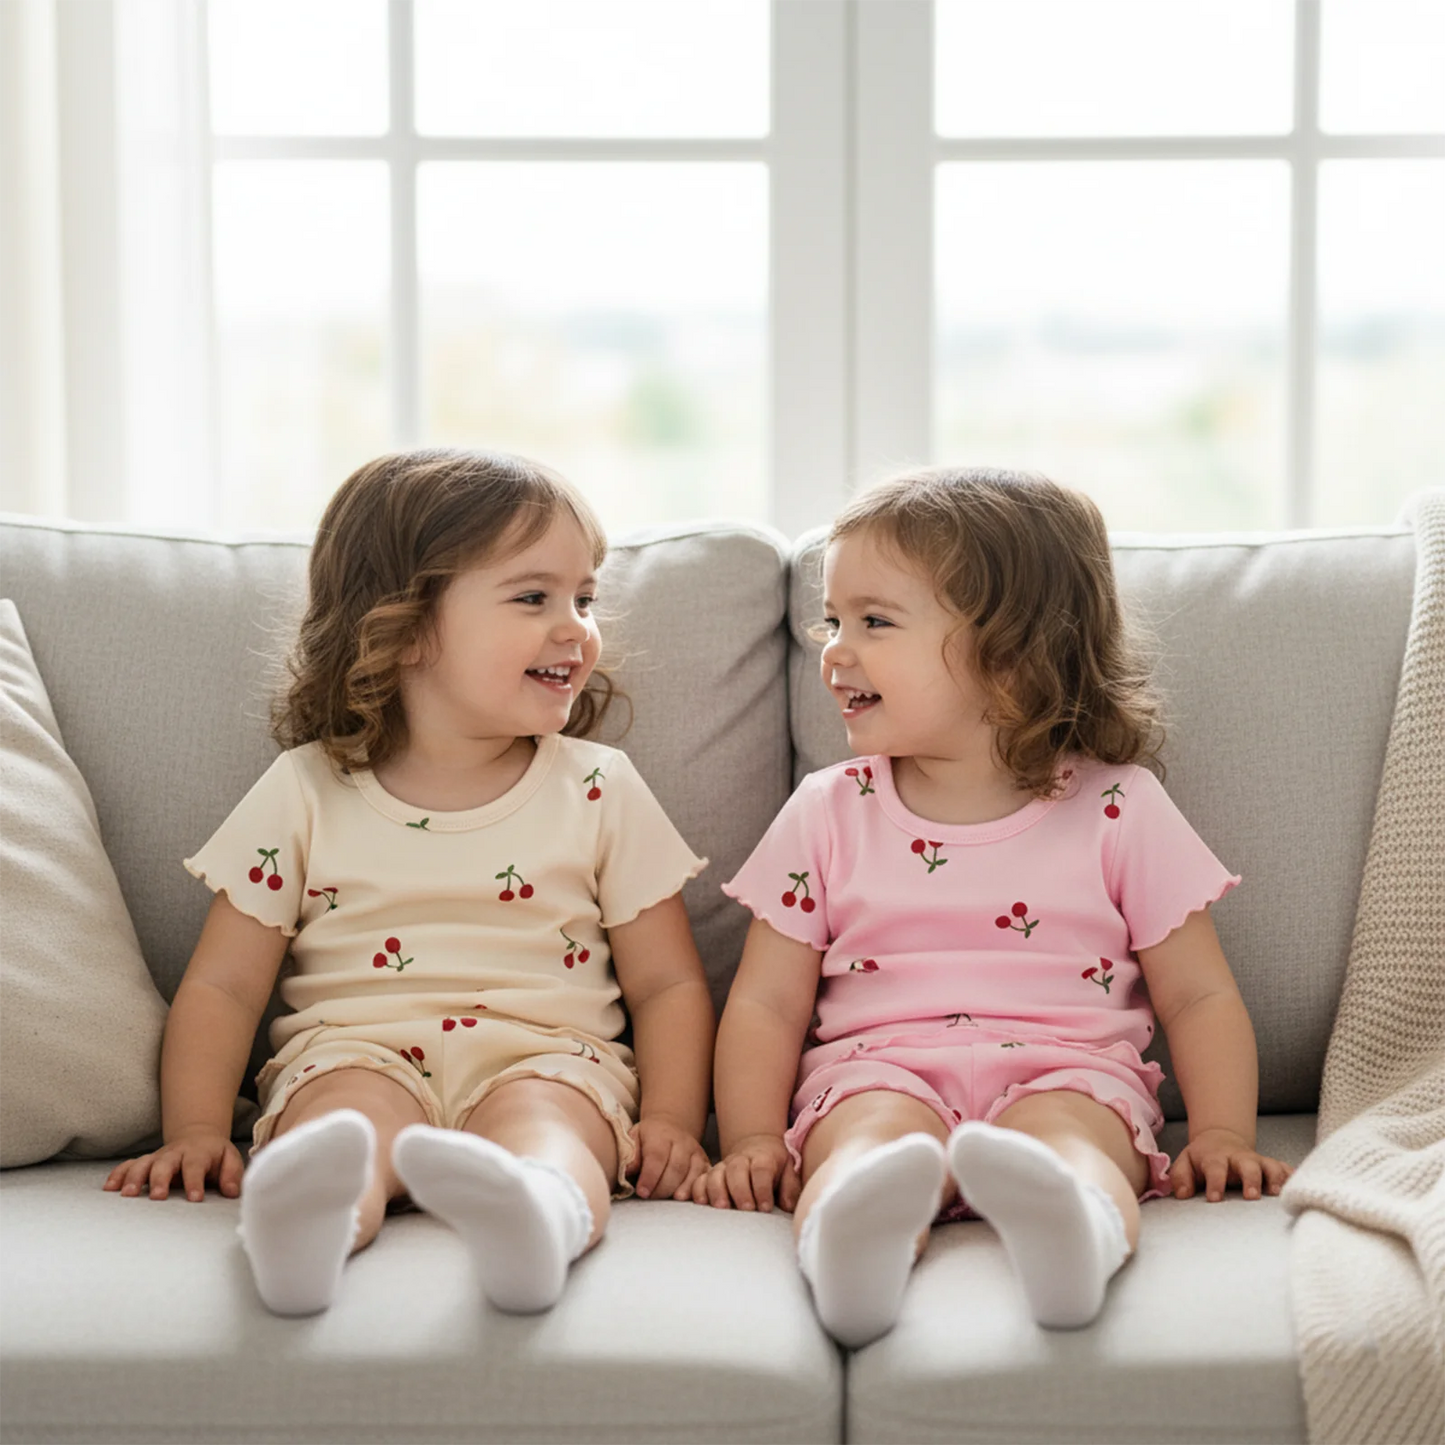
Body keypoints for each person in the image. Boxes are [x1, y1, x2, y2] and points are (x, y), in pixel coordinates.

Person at [104, 448, 715, 1317]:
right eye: (533, 597)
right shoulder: (306, 788)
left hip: (548, 1058)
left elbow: (667, 984)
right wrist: (197, 1131)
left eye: (584, 598)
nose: (576, 628)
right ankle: (305, 1228)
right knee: (343, 1127)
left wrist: (673, 1122)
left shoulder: (598, 786)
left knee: (545, 1127)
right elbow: (224, 984)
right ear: (405, 627)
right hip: (356, 1052)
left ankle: (538, 1216)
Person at [697, 466, 1292, 1345]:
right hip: (876, 1069)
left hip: (1069, 1071)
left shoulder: (1118, 805)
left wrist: (1220, 1131)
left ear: (1011, 655)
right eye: (832, 620)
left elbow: (1198, 994)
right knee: (865, 1145)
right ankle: (852, 1248)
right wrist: (751, 1138)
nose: (834, 651)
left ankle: (1072, 1236)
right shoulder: (826, 809)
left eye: (874, 621)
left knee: (1070, 1144)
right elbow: (765, 1001)